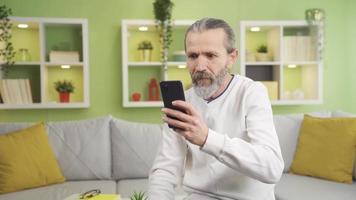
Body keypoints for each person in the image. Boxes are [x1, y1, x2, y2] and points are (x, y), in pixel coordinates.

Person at [148, 18, 284, 200]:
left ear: (231, 58)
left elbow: (272, 168)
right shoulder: (184, 101)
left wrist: (206, 138)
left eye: (210, 55)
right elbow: (165, 169)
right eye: (193, 56)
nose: (200, 66)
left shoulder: (252, 93)